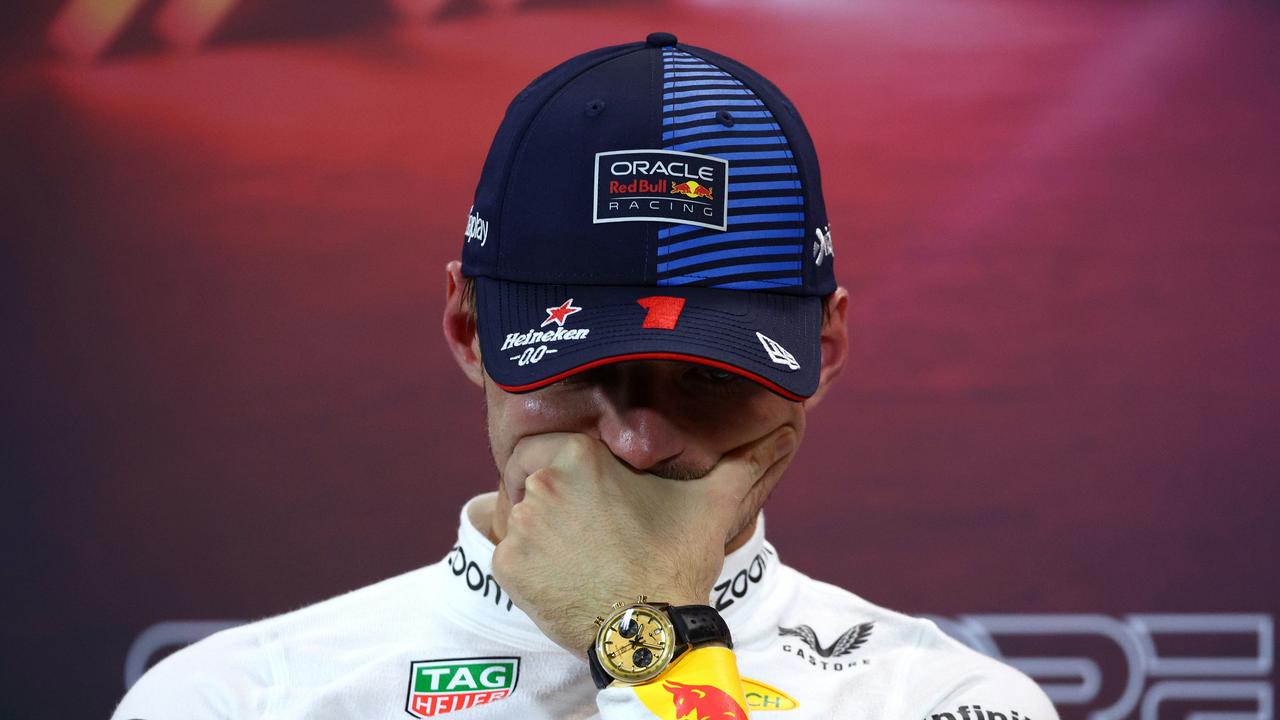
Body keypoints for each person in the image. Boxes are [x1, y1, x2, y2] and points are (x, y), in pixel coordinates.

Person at [113, 33, 1058, 720]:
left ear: (827, 353)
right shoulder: (235, 700)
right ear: (466, 326)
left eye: (707, 378)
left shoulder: (946, 700)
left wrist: (644, 641)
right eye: (584, 371)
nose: (639, 441)